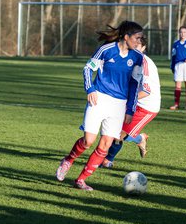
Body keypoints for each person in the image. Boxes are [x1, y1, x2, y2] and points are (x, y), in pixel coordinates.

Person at [56, 20, 144, 191]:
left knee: (105, 145)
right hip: (99, 99)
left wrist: (130, 109)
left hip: (119, 105)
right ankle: (68, 160)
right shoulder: (106, 50)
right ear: (126, 37)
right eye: (137, 38)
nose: (139, 42)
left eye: (141, 39)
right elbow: (88, 69)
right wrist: (90, 89)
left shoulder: (138, 58)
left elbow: (135, 84)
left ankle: (81, 180)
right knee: (88, 141)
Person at [101, 35, 161, 168]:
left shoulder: (145, 63)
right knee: (112, 129)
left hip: (146, 107)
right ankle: (139, 138)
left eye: (138, 46)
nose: (135, 48)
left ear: (144, 47)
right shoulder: (132, 60)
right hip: (134, 102)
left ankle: (107, 160)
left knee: (118, 134)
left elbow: (146, 91)